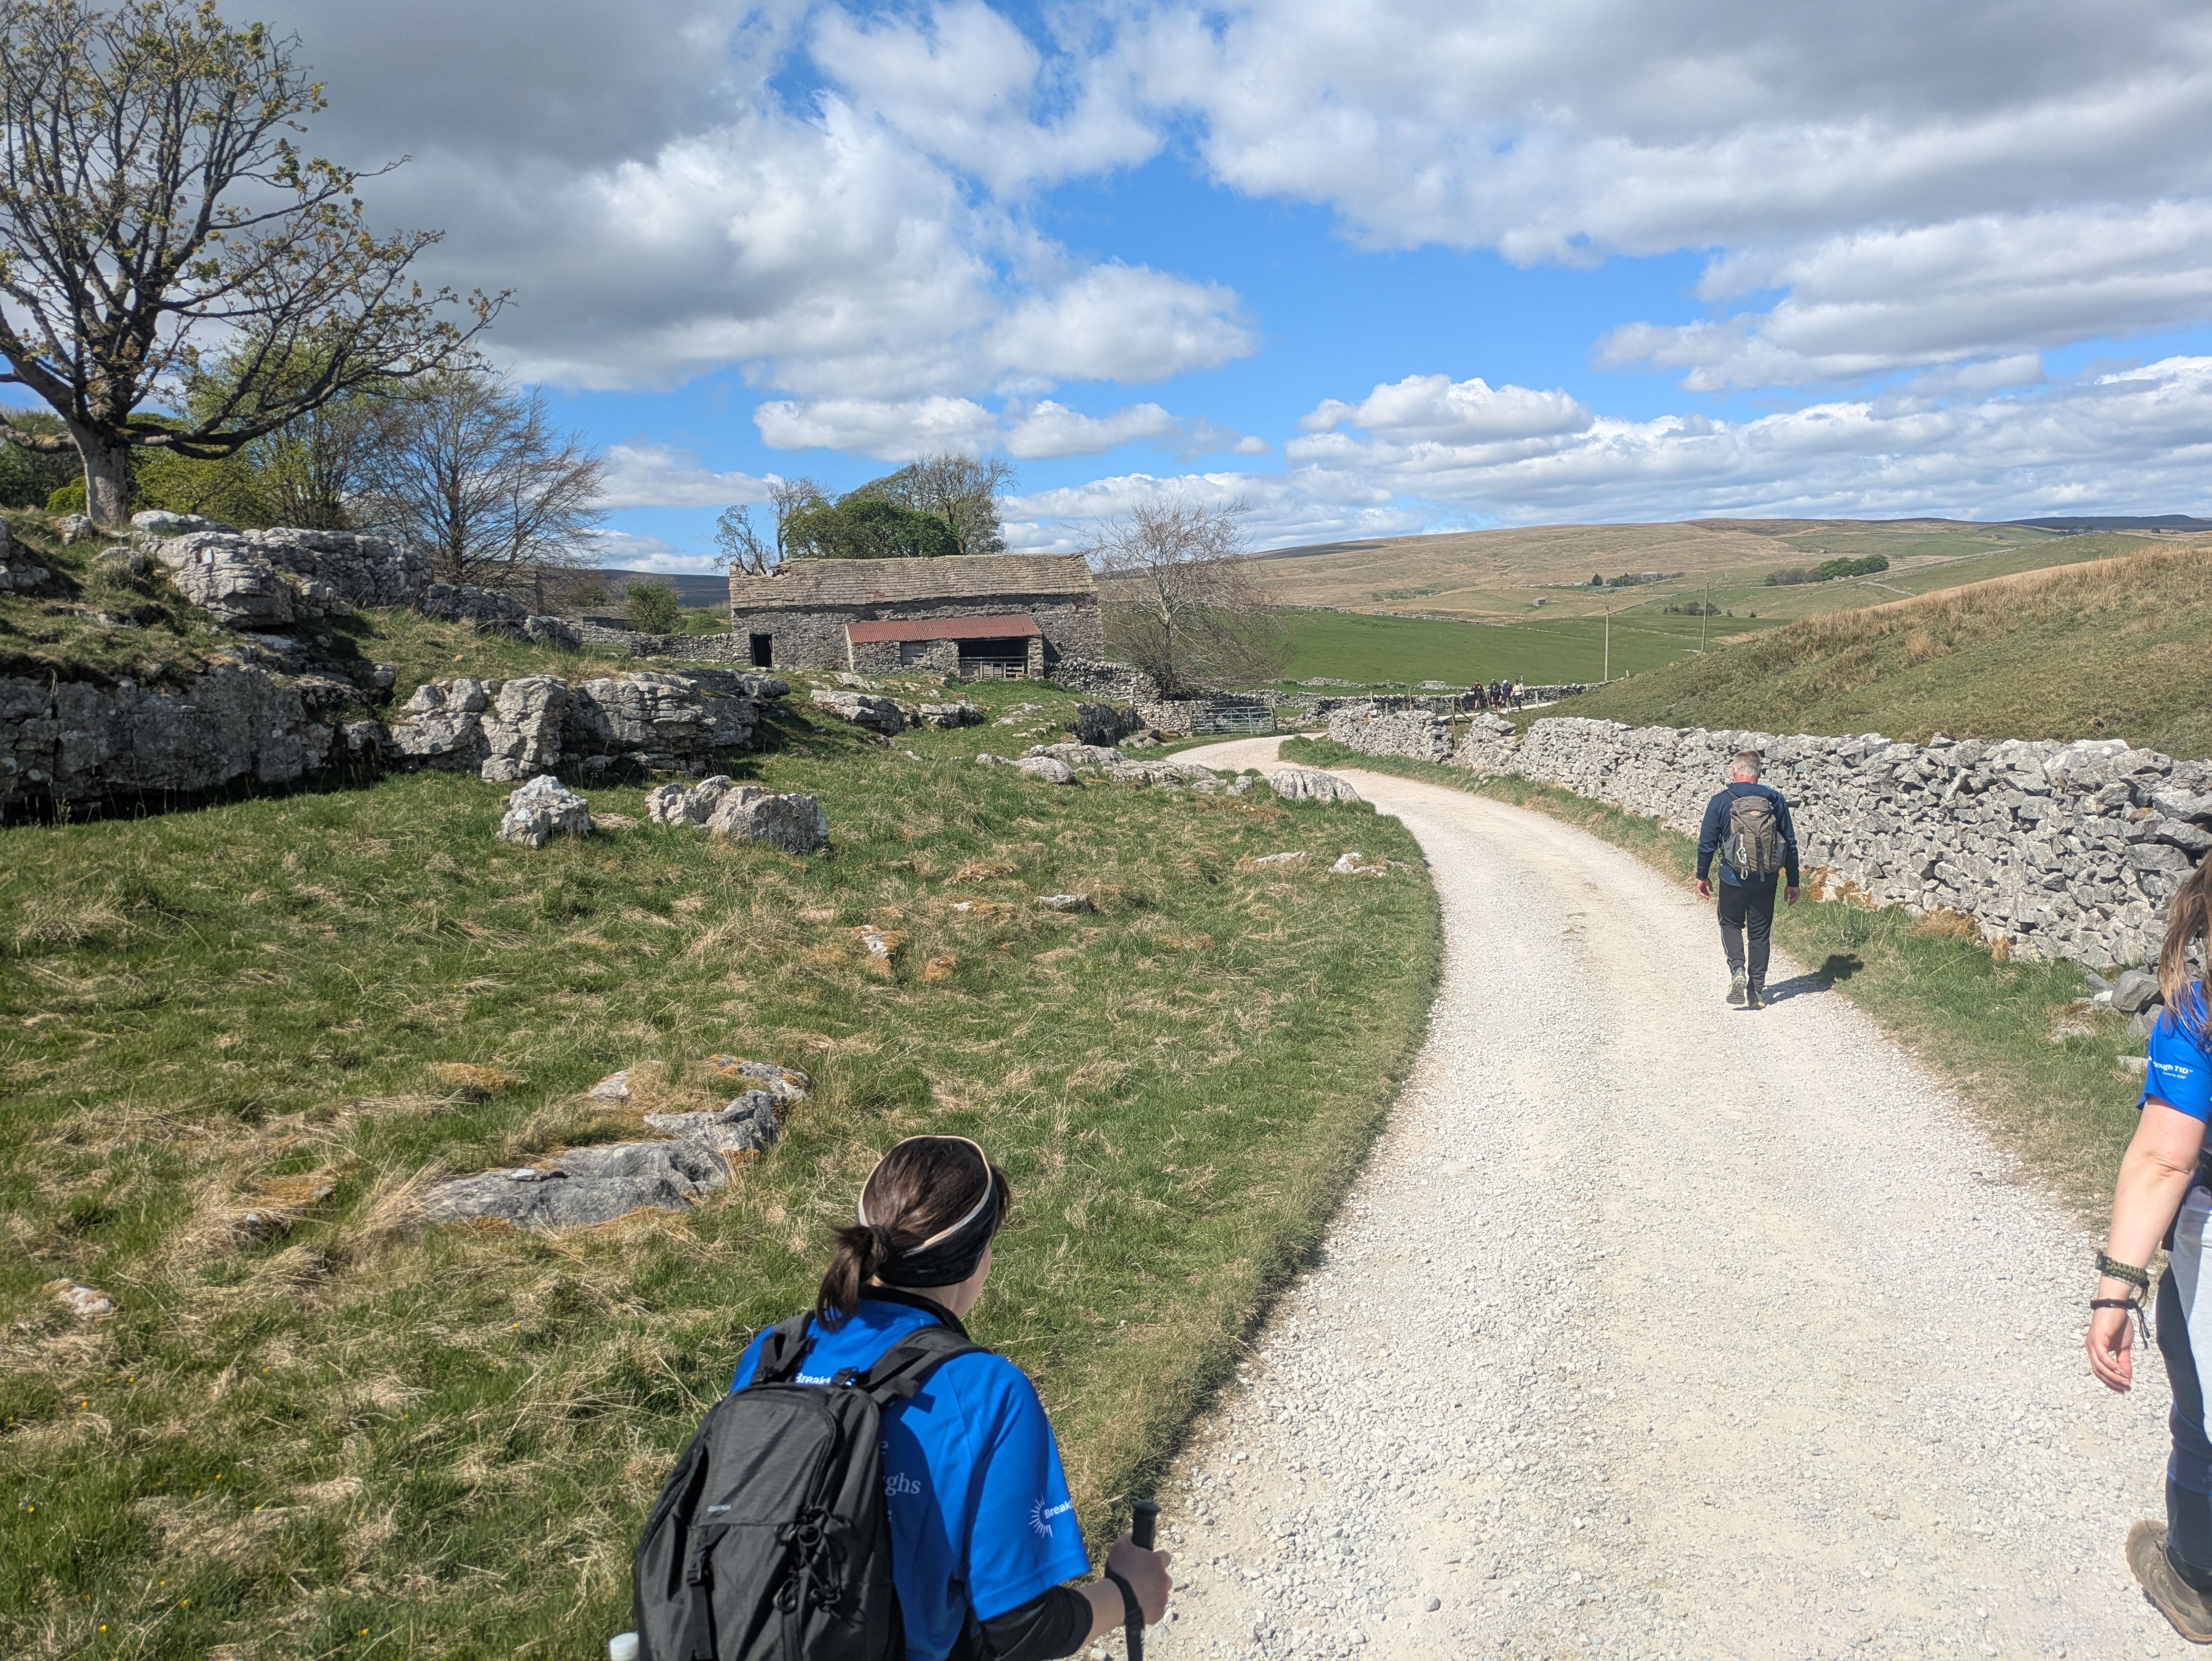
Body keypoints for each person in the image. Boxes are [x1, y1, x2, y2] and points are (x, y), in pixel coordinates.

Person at [727, 1136, 1173, 1661]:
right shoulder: (986, 1389)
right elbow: (1023, 1627)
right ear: (979, 1257)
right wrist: (1128, 1595)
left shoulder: (777, 1351)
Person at [2090, 859, 2212, 1643]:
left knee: (2200, 1412)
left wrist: (2115, 1291)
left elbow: (2166, 1159)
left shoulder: (2196, 1016)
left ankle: (2194, 1579)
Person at [1693, 750, 1801, 1009]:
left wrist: (1702, 876)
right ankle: (1757, 992)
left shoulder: (1721, 800)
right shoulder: (1774, 799)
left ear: (1734, 772)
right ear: (1759, 774)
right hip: (1766, 879)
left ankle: (1738, 969)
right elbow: (1790, 843)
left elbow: (1707, 844)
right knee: (1760, 934)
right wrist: (1793, 881)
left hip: (1732, 877)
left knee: (1730, 924)